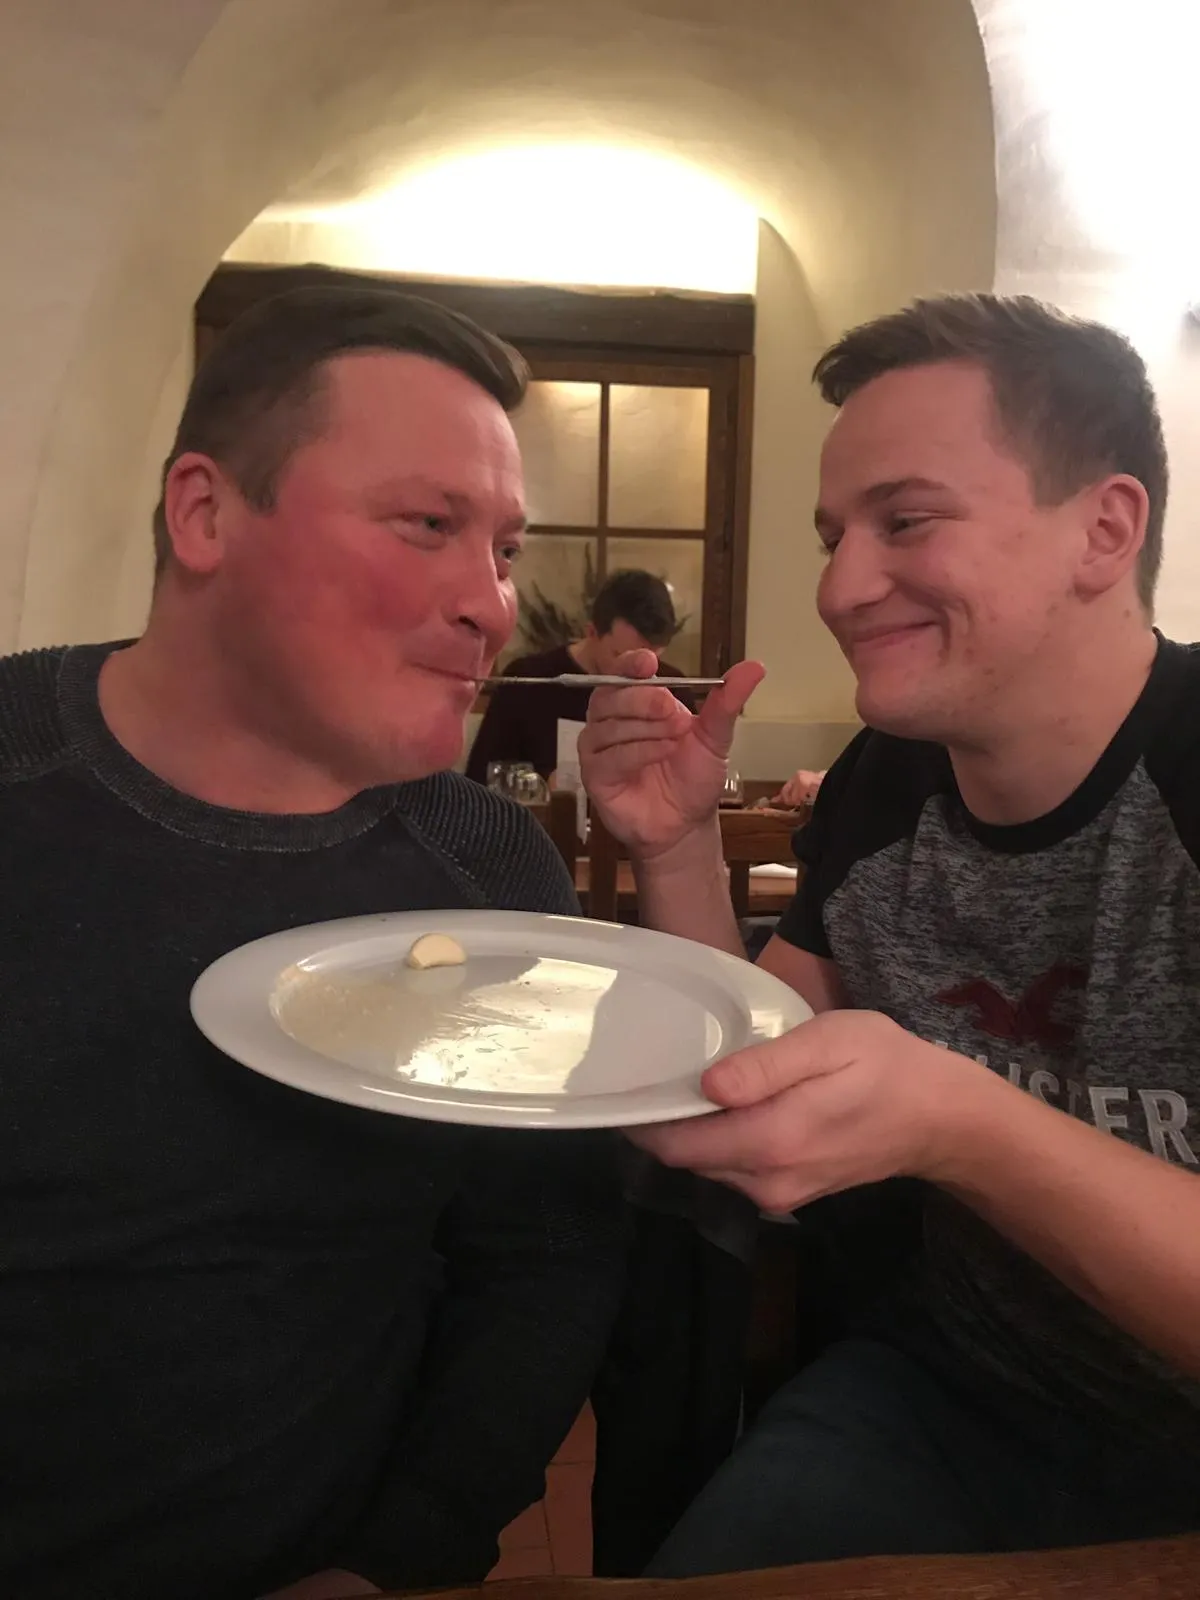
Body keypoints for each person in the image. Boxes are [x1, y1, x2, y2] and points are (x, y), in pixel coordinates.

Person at [0, 286, 626, 1600]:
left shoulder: (489, 873)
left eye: (505, 549)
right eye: (428, 525)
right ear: (205, 514)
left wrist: (399, 1561)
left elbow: (543, 1262)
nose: (491, 604)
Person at [579, 293, 1200, 1574]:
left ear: (1105, 527)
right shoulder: (887, 779)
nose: (840, 588)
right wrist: (679, 848)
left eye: (905, 521)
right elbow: (753, 1063)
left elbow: (943, 1117)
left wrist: (962, 1121)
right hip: (947, 1394)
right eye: (834, 536)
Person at [465, 567, 693, 784]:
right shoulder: (529, 681)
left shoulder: (672, 688)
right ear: (591, 632)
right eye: (622, 655)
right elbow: (480, 783)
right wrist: (542, 790)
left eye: (654, 657)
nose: (639, 671)